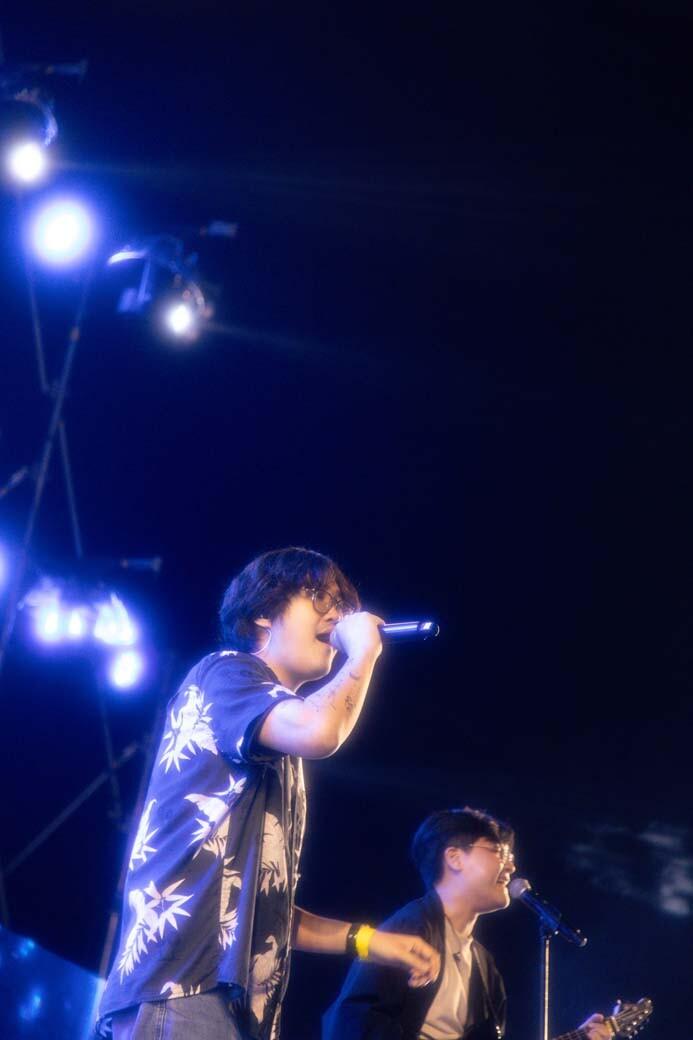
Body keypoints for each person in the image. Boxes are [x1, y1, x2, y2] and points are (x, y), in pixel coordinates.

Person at [97, 547, 439, 1040]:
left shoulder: (280, 748)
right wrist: (364, 653)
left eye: (343, 607)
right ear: (262, 610)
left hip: (231, 1005)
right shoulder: (226, 674)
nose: (336, 617)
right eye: (318, 596)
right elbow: (321, 730)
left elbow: (263, 910)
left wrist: (369, 941)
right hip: (180, 987)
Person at [323, 808, 615, 1040]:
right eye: (499, 852)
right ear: (454, 858)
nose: (511, 866)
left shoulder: (486, 969)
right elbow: (351, 1022)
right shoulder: (407, 930)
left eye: (511, 856)